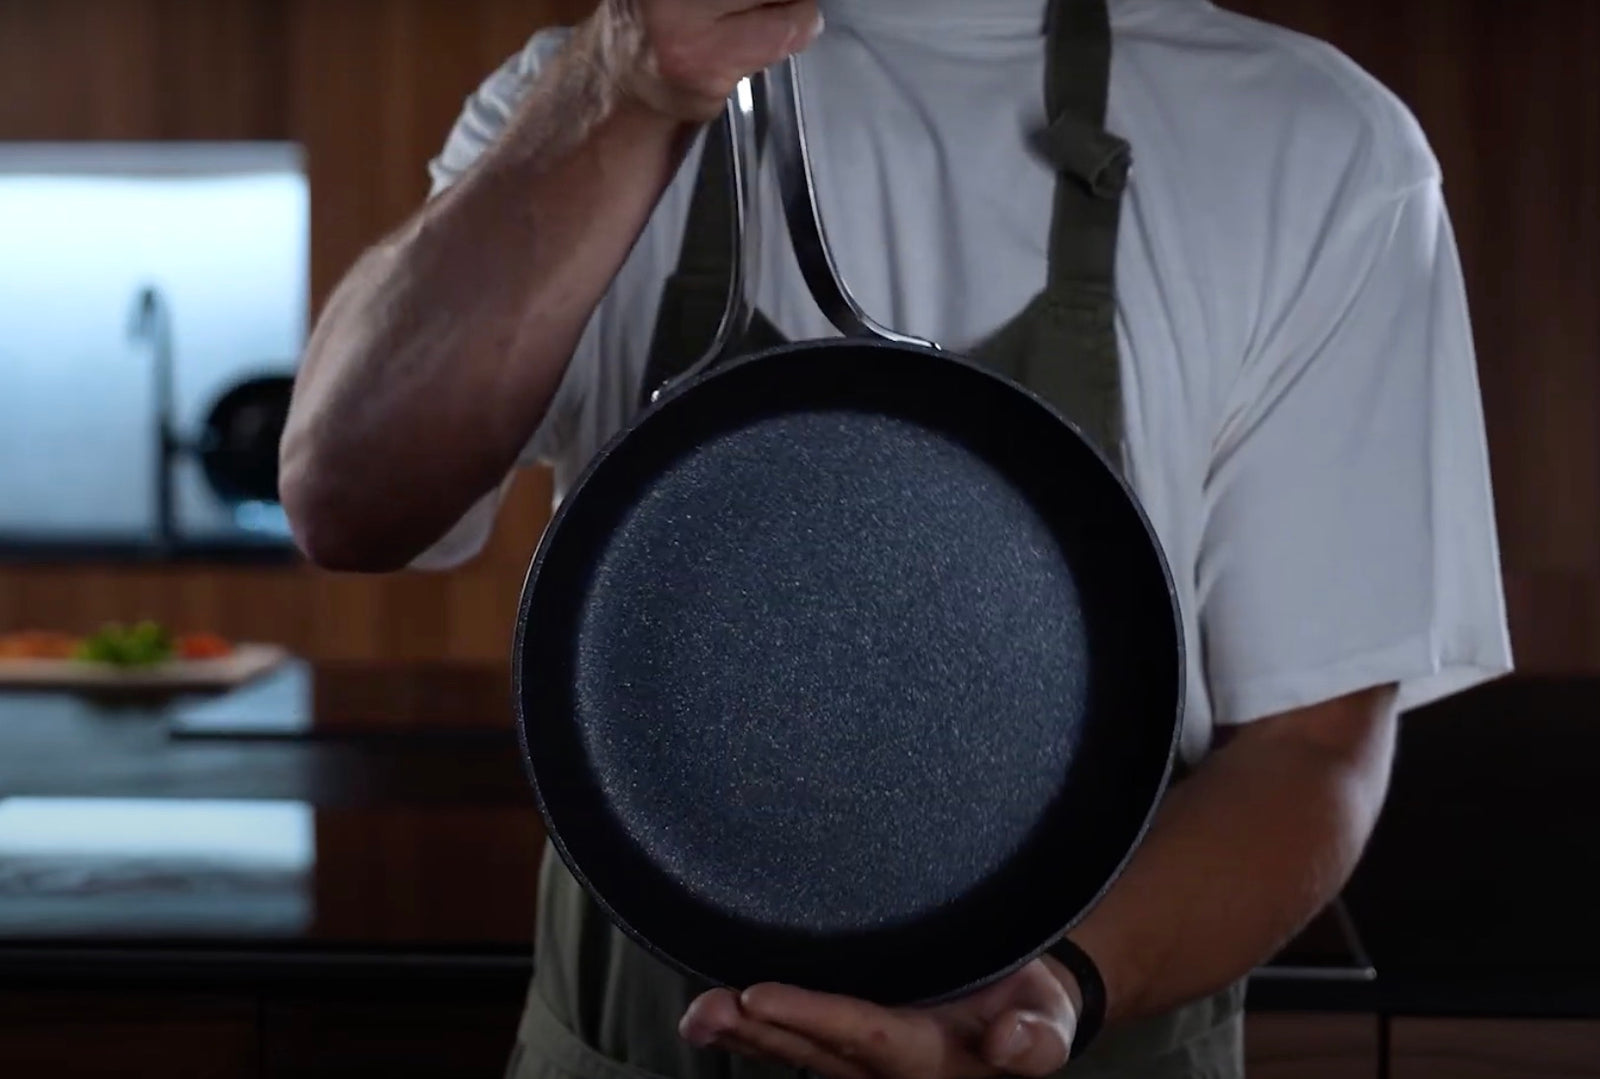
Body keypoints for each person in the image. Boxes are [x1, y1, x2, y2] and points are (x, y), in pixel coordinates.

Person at [278, 0, 1513, 1076]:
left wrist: (1050, 994)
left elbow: (1309, 747)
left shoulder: (1309, 140)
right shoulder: (578, 91)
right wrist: (619, 92)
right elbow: (347, 499)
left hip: (1073, 1037)